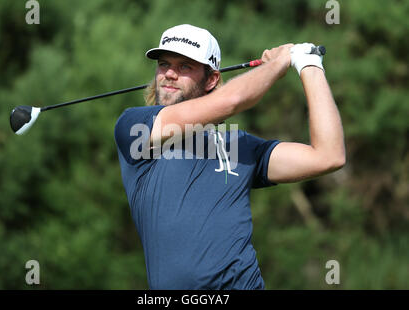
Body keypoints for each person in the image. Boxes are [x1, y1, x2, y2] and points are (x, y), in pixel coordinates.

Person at [114, 24, 345, 289]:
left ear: (211, 80)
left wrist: (309, 65)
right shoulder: (136, 128)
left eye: (184, 67)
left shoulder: (237, 144)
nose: (169, 74)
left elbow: (329, 156)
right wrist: (279, 63)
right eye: (164, 64)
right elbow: (231, 101)